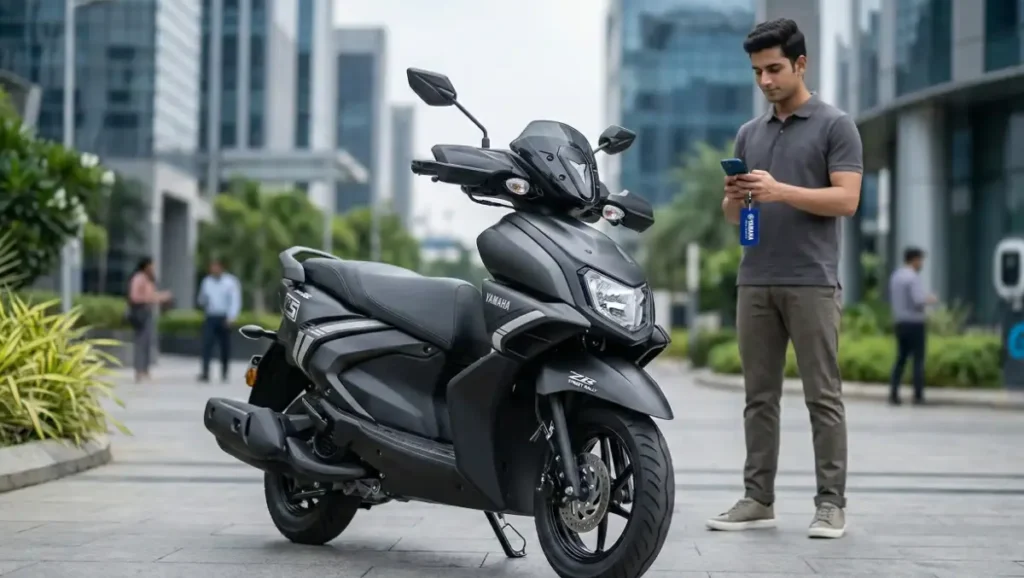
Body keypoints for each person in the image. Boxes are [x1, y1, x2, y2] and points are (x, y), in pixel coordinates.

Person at [705, 18, 863, 539]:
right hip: (755, 279)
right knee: (758, 398)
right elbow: (736, 218)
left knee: (823, 397)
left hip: (812, 281)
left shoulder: (836, 126)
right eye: (757, 72)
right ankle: (758, 499)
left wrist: (781, 191)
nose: (766, 80)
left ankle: (831, 504)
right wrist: (735, 197)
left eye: (774, 69)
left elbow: (847, 199)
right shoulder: (749, 133)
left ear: (800, 64)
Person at [888, 247, 937, 405]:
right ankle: (918, 395)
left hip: (900, 322)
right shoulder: (913, 277)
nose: (921, 263)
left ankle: (893, 393)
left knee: (900, 359)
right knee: (918, 360)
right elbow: (918, 300)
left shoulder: (896, 276)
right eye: (920, 260)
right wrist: (930, 299)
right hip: (915, 323)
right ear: (914, 259)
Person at [126, 257, 172, 383]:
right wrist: (154, 298)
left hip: (148, 312)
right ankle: (139, 370)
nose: (153, 268)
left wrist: (160, 297)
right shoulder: (138, 278)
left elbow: (152, 295)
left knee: (147, 342)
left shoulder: (148, 279)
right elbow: (134, 296)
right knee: (140, 342)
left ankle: (145, 369)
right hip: (140, 312)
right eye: (151, 265)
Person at [196, 259, 242, 383]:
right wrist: (203, 301)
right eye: (212, 267)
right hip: (210, 316)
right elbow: (201, 299)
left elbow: (235, 300)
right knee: (206, 345)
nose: (214, 269)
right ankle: (205, 372)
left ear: (221, 267)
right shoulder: (207, 281)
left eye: (216, 267)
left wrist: (232, 317)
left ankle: (225, 372)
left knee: (224, 346)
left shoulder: (230, 282)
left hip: (224, 317)